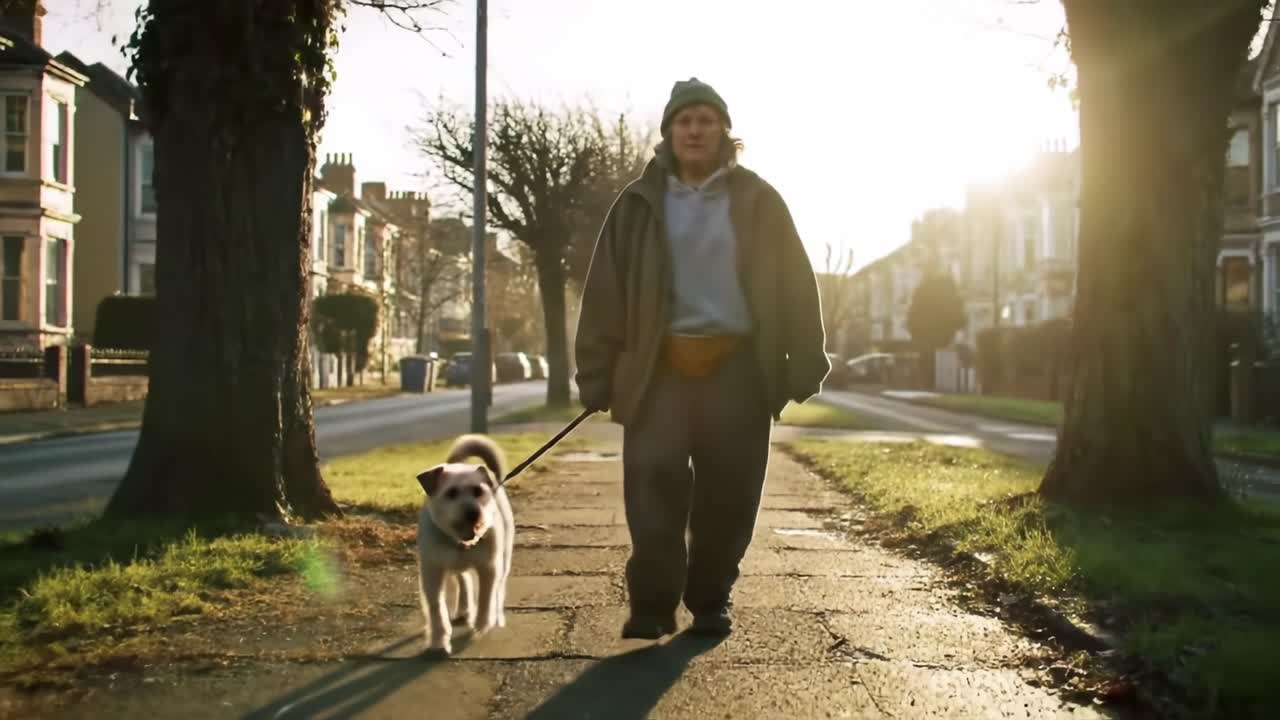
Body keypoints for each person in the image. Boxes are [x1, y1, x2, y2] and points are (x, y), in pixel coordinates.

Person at [574, 78, 830, 639]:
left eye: (706, 121)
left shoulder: (759, 199)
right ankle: (652, 605)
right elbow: (605, 291)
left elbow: (794, 282)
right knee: (652, 485)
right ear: (668, 131)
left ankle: (711, 600)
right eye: (684, 121)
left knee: (730, 493)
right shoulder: (638, 203)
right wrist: (595, 374)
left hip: (736, 369)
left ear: (724, 131)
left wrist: (805, 360)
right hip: (658, 371)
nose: (694, 130)